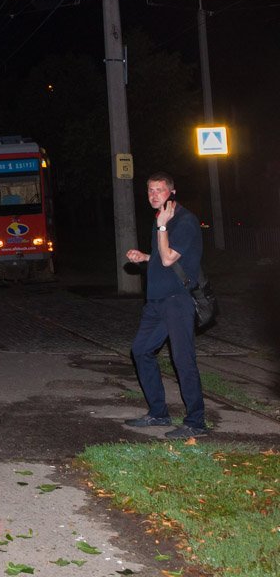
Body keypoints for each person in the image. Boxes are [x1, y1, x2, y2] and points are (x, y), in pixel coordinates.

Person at [124, 172, 208, 439]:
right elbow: (162, 258)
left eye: (159, 190)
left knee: (182, 360)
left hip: (177, 300)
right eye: (150, 190)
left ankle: (196, 421)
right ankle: (158, 413)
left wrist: (162, 227)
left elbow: (170, 258)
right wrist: (146, 257)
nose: (153, 195)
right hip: (157, 301)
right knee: (140, 350)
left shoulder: (183, 220)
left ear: (172, 192)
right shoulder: (162, 219)